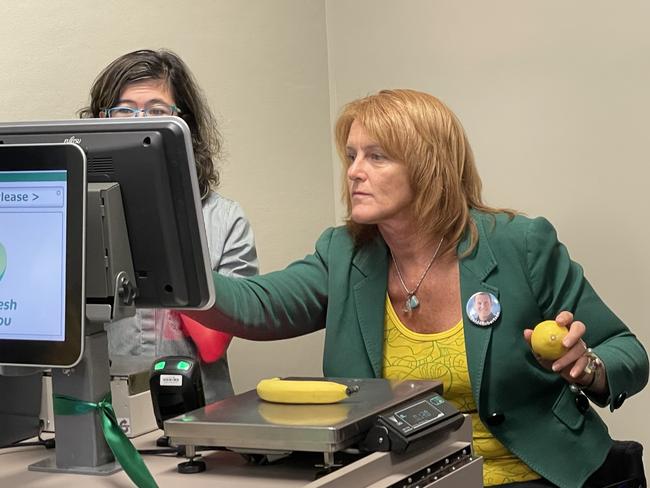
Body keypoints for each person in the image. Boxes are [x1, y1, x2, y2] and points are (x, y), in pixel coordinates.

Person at [186, 89, 648, 486]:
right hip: (404, 477)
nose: (353, 171)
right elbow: (256, 306)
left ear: (429, 167)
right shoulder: (343, 253)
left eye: (376, 156)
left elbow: (627, 351)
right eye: (351, 156)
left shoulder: (520, 245)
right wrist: (175, 272)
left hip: (532, 471)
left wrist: (587, 367)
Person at [79, 49, 258, 404]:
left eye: (157, 111)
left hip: (203, 414)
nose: (138, 123)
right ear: (101, 121)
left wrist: (163, 219)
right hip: (101, 414)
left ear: (183, 124)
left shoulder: (225, 220)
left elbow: (212, 343)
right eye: (124, 111)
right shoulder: (76, 215)